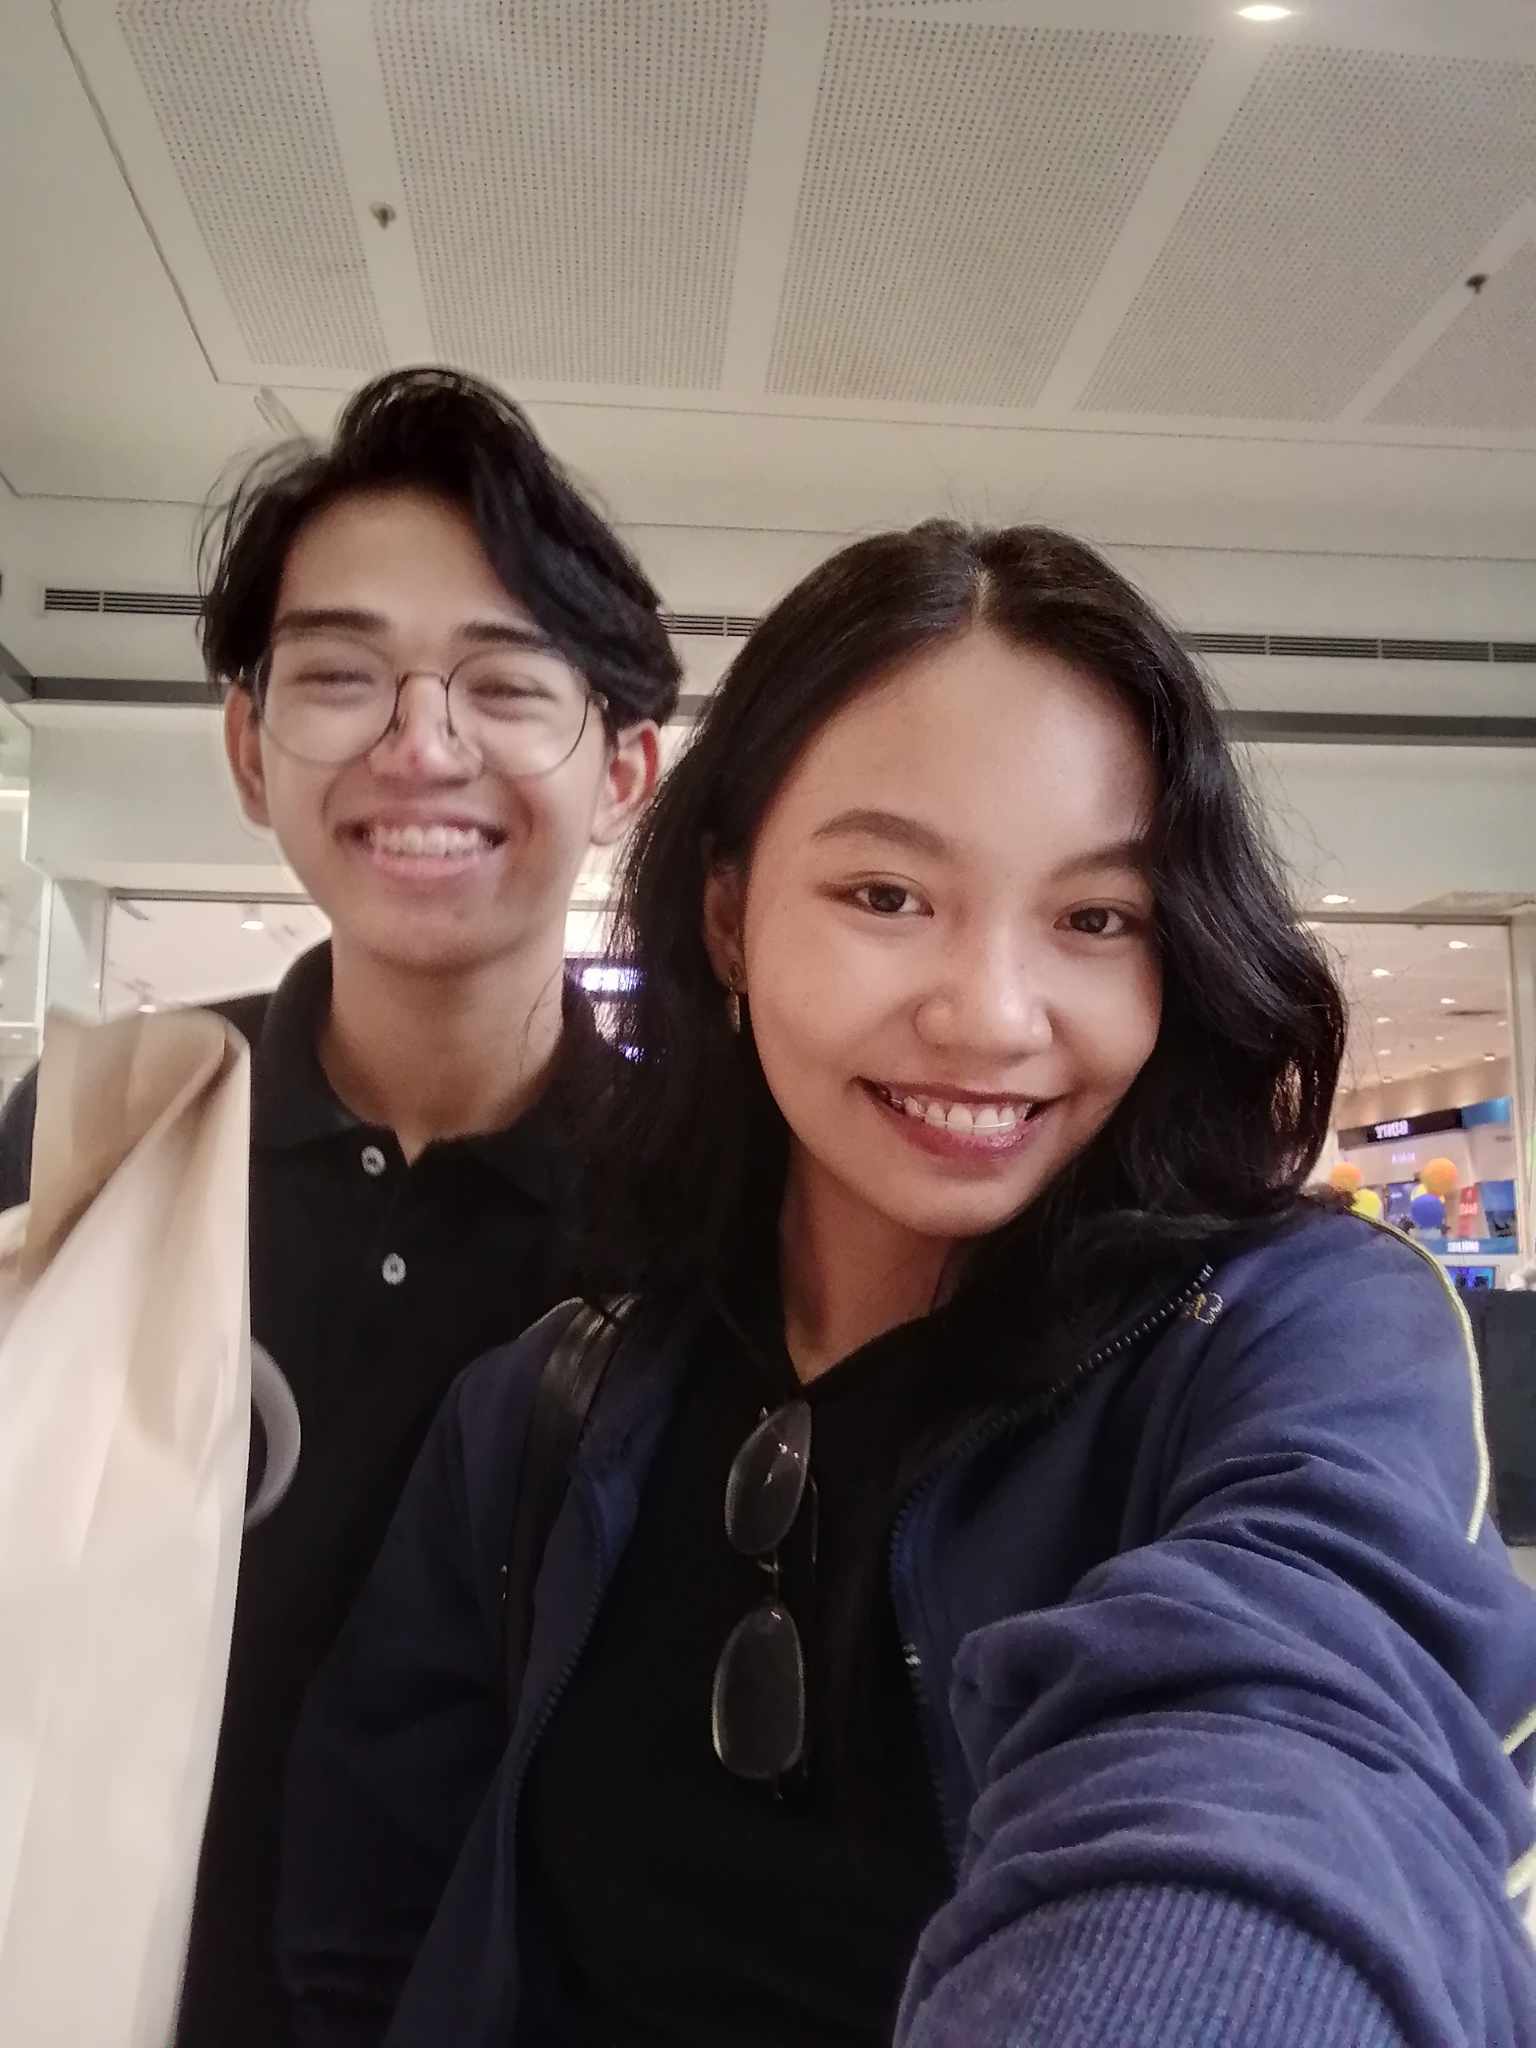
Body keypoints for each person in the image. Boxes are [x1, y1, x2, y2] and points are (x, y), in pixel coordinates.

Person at [278, 523, 1536, 2047]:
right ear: (729, 918)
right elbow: (362, 1929)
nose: (992, 1017)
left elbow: (1301, 1757)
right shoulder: (546, 1408)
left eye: (1096, 918)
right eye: (886, 895)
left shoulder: (1292, 1338)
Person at [0, 367, 679, 2045]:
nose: (420, 745)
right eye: (339, 676)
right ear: (250, 748)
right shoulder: (110, 1137)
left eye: (504, 683)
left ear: (624, 769)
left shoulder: (705, 1196)